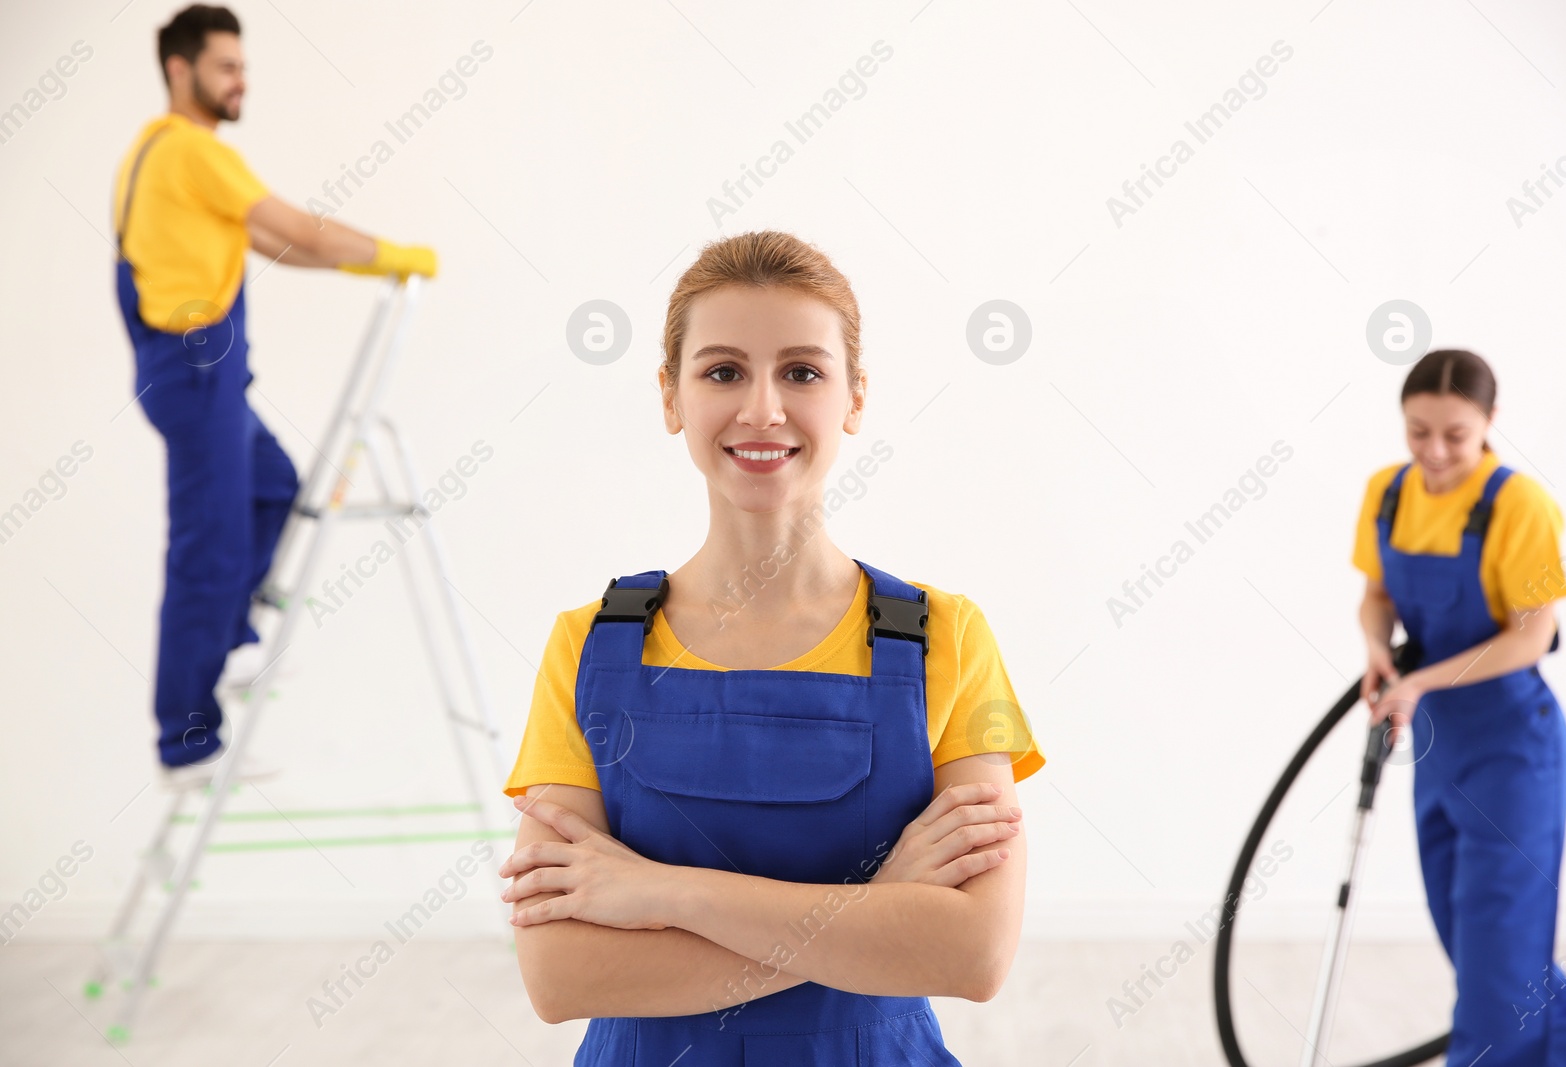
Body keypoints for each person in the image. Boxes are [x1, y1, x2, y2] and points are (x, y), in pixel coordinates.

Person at [495, 230, 1046, 1063]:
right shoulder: (589, 644)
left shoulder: (946, 635)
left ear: (855, 397)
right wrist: (875, 910)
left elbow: (972, 954)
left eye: (802, 371)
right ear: (671, 396)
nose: (761, 409)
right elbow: (562, 974)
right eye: (722, 371)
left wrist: (662, 892)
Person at [114, 4, 437, 791]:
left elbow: (269, 242)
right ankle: (184, 742)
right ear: (179, 70)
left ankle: (229, 645)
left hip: (199, 372)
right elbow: (299, 231)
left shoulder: (156, 159)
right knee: (207, 548)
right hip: (193, 373)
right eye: (225, 66)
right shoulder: (190, 151)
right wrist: (393, 254)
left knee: (270, 488)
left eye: (242, 65)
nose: (239, 80)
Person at [1355, 349, 1566, 1067]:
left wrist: (1422, 680)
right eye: (1417, 431)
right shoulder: (1388, 492)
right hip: (1440, 745)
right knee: (1466, 932)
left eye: (1454, 435)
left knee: (1499, 949)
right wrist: (1376, 646)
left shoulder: (1518, 504)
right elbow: (1376, 595)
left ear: (1490, 423)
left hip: (1514, 748)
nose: (1434, 451)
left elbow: (1535, 632)